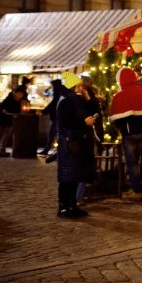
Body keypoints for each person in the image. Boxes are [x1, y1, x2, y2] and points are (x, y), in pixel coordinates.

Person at [55, 73, 97, 218]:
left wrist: (89, 97)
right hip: (70, 145)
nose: (80, 89)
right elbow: (65, 124)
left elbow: (94, 110)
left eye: (81, 86)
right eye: (77, 86)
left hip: (80, 143)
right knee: (67, 177)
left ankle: (72, 205)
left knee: (76, 176)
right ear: (71, 87)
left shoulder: (79, 100)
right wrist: (83, 123)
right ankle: (64, 206)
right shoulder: (66, 102)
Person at [108, 68, 142, 201]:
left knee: (131, 164)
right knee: (136, 163)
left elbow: (116, 117)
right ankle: (135, 188)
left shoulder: (120, 96)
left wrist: (120, 128)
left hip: (130, 135)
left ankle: (137, 191)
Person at [75, 81, 105, 205]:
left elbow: (97, 114)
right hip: (77, 137)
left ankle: (78, 197)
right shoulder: (72, 100)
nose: (80, 89)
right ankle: (76, 197)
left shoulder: (90, 101)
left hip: (86, 137)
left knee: (82, 167)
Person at [0, 86, 26, 157]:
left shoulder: (18, 101)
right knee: (0, 135)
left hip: (8, 120)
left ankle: (2, 149)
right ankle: (1, 150)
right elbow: (4, 109)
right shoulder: (9, 100)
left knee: (6, 135)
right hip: (0, 119)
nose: (19, 96)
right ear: (15, 93)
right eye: (18, 94)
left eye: (21, 95)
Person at [40, 79, 68, 156]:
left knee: (54, 133)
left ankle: (50, 149)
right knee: (55, 134)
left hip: (57, 117)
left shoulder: (58, 93)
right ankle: (52, 149)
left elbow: (53, 104)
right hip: (59, 117)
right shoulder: (62, 92)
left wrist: (43, 111)